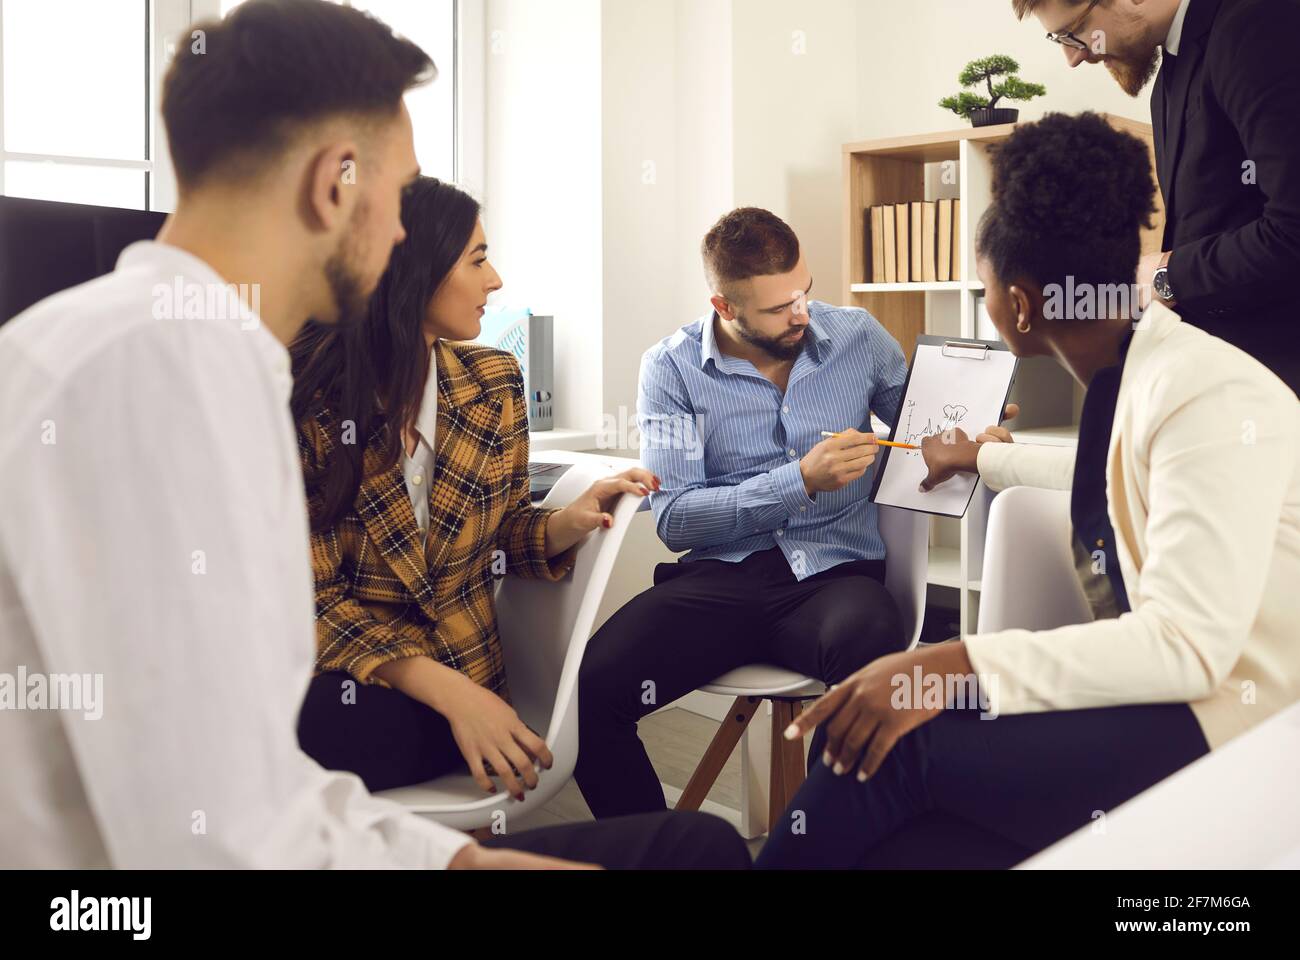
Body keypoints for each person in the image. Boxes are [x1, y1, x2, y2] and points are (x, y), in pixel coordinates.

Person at [0, 0, 747, 871]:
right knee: (696, 854)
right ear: (333, 182)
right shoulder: (171, 383)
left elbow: (238, 782)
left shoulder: (133, 348)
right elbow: (210, 836)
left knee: (691, 848)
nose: (398, 231)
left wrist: (461, 861)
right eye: (397, 193)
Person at [756, 112, 1300, 869]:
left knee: (887, 750)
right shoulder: (1141, 369)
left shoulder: (1209, 391)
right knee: (896, 824)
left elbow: (1187, 646)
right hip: (1174, 701)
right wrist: (979, 459)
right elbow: (1106, 471)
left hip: (1241, 731)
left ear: (1017, 305)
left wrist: (946, 662)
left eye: (983, 289)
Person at [292, 176, 656, 803]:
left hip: (470, 673)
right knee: (320, 729)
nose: (496, 281)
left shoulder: (492, 382)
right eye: (478, 259)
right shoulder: (307, 404)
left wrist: (566, 522)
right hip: (361, 682)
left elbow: (502, 533)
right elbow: (313, 603)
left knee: (595, 703)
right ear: (411, 272)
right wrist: (449, 693)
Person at [575, 208, 914, 819]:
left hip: (834, 579)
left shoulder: (859, 337)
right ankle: (657, 856)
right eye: (779, 308)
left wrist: (969, 437)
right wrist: (798, 481)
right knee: (590, 692)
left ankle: (822, 852)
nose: (802, 315)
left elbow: (923, 426)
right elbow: (674, 517)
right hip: (723, 581)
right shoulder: (671, 367)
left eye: (804, 294)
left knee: (872, 643)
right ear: (724, 307)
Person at [1012, 0, 1300, 393]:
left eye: (1073, 30)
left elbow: (1293, 229)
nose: (1073, 56)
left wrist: (1168, 274)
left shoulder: (1255, 24)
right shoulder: (1169, 80)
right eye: (1058, 38)